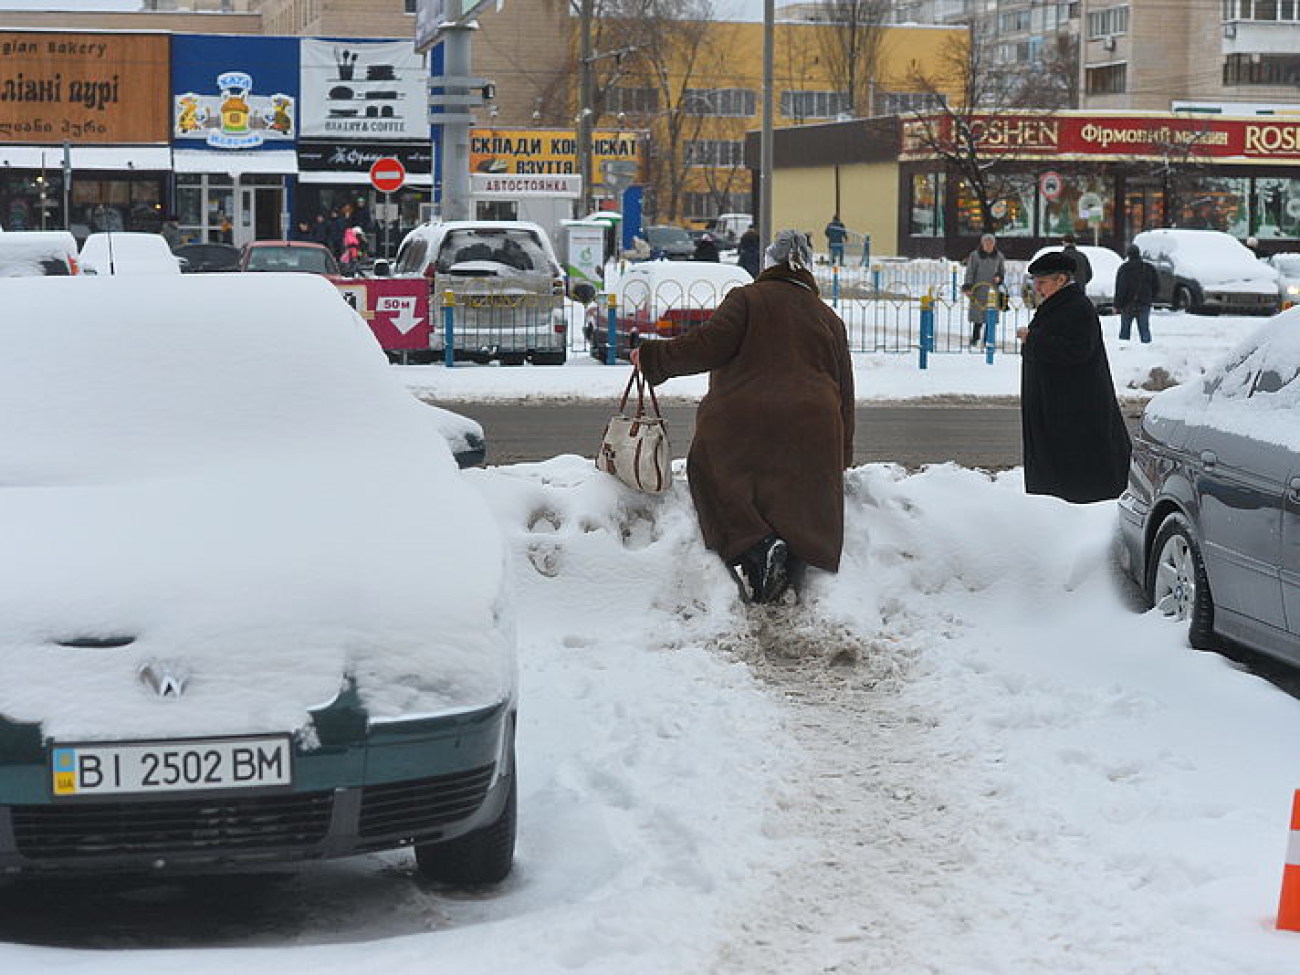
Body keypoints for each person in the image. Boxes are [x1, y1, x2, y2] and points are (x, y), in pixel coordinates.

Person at [629, 230, 855, 605]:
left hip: (743, 416)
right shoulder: (828, 318)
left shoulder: (747, 299)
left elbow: (707, 345)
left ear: (768, 263)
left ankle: (757, 545)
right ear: (808, 269)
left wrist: (653, 358)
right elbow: (845, 390)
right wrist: (841, 453)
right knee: (798, 485)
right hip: (816, 424)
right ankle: (797, 551)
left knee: (713, 471)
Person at [1014, 251, 1131, 504]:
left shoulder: (1077, 307)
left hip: (1074, 409)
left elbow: (1077, 350)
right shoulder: (1060, 305)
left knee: (1078, 475)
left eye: (1042, 282)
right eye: (1036, 282)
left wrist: (1034, 339)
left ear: (1061, 280)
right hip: (1059, 406)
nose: (1037, 288)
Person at [962, 233, 1006, 347]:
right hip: (978, 289)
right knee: (978, 315)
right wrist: (968, 286)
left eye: (991, 243)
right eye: (986, 243)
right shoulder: (975, 256)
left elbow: (1002, 271)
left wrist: (999, 278)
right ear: (982, 244)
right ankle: (975, 337)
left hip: (992, 290)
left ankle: (988, 339)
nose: (989, 245)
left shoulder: (999, 256)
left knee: (990, 315)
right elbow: (970, 271)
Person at [1114, 244, 1160, 344]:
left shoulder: (1124, 268)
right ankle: (1147, 350)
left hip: (1127, 304)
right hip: (1144, 303)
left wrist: (1117, 305)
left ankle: (1123, 349)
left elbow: (1120, 288)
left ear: (1128, 255)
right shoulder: (1148, 268)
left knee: (1125, 331)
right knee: (1144, 330)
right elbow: (1156, 285)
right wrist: (1150, 298)